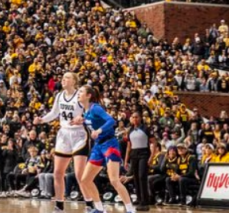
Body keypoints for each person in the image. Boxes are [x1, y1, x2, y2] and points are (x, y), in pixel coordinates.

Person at [33, 72, 90, 211]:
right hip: (64, 134)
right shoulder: (59, 95)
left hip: (79, 134)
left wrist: (81, 118)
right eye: (63, 78)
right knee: (57, 172)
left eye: (67, 78)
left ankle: (90, 203)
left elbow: (90, 112)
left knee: (79, 174)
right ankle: (59, 205)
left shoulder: (80, 96)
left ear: (74, 81)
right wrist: (41, 119)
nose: (63, 80)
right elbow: (54, 113)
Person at [72, 85, 134, 213]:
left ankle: (130, 210)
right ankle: (100, 209)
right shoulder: (87, 111)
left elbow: (111, 121)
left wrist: (99, 130)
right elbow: (92, 121)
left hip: (110, 144)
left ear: (89, 95)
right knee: (85, 180)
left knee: (114, 180)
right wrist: (80, 121)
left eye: (81, 92)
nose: (78, 94)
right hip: (98, 146)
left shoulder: (96, 108)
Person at [124, 112, 153, 210]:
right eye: (133, 117)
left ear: (140, 118)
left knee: (142, 176)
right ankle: (139, 198)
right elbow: (128, 146)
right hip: (134, 154)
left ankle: (145, 201)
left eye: (137, 117)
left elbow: (154, 143)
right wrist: (125, 160)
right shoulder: (130, 130)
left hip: (144, 153)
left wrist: (151, 157)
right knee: (135, 177)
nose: (135, 119)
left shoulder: (146, 129)